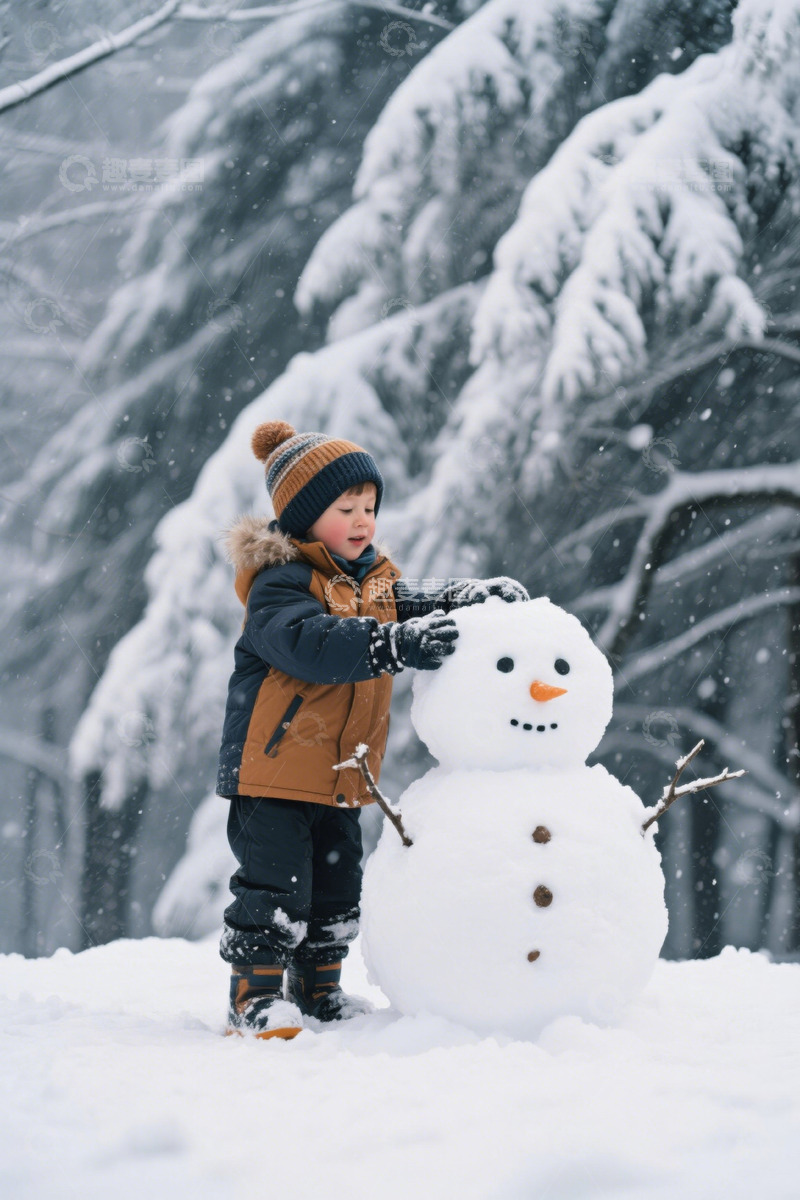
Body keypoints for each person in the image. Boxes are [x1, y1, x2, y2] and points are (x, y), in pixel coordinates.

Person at [216, 419, 529, 1039]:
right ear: (304, 518)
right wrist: (391, 645)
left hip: (341, 775)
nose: (363, 520)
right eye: (346, 508)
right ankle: (252, 998)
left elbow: (406, 600)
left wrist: (466, 596)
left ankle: (319, 989)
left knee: (336, 888)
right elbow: (309, 643)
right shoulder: (279, 585)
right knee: (274, 888)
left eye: (369, 507)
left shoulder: (372, 580)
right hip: (274, 773)